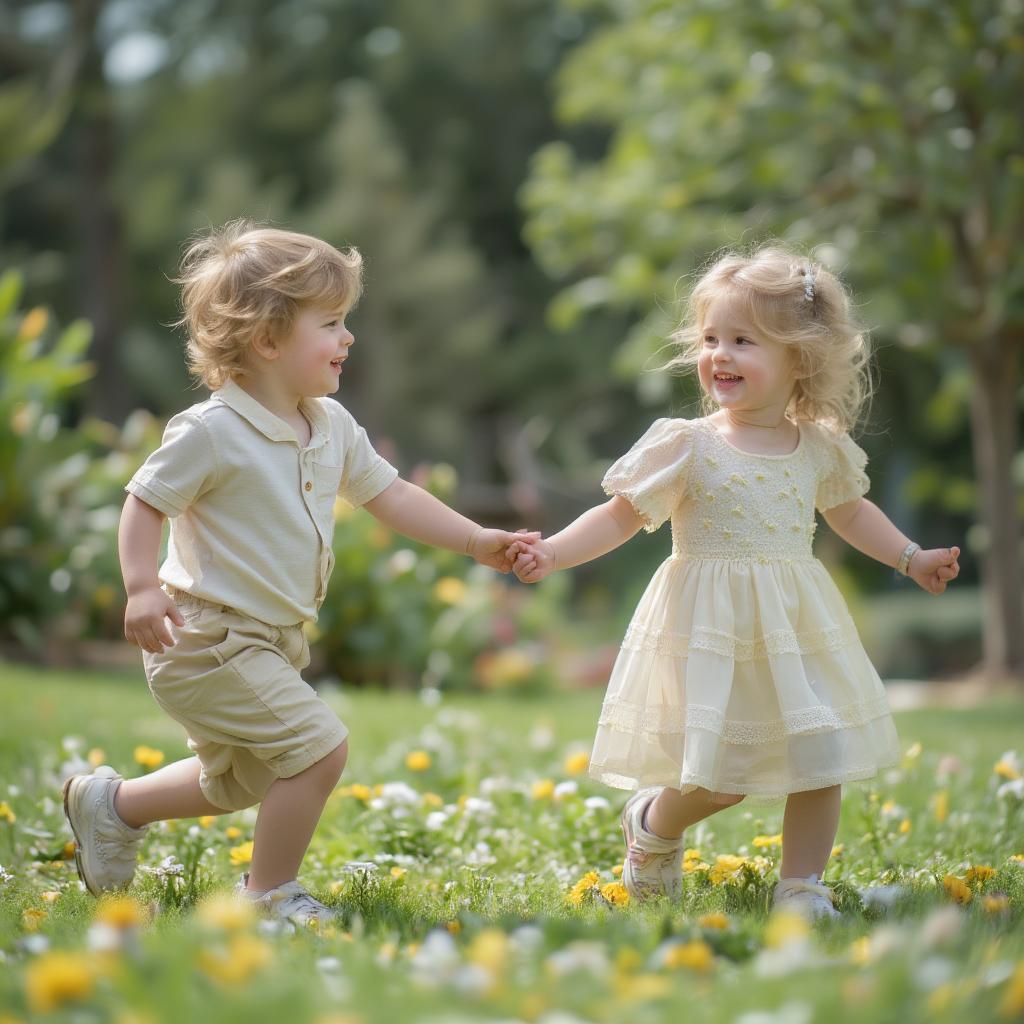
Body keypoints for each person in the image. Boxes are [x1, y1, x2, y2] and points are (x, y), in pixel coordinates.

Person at [62, 220, 536, 926]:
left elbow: (391, 494)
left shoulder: (332, 424)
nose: (348, 339)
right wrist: (140, 586)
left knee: (237, 782)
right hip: (206, 638)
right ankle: (270, 896)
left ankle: (112, 808)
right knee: (317, 751)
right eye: (333, 323)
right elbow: (143, 503)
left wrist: (476, 541)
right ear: (269, 339)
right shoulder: (211, 431)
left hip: (272, 638)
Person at [511, 245, 961, 919]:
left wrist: (908, 557)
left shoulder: (818, 447)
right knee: (718, 777)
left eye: (744, 341)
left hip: (793, 626)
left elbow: (850, 510)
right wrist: (553, 551)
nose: (719, 354)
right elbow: (619, 515)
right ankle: (655, 825)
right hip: (710, 629)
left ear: (799, 359)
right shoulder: (688, 445)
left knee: (820, 752)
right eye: (711, 338)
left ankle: (801, 888)